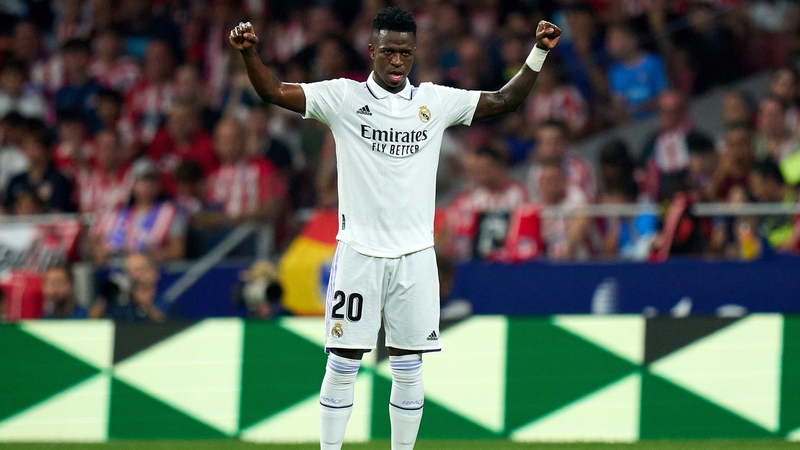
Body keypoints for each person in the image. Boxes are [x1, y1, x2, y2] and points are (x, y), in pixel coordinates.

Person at [230, 8, 561, 449]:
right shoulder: (342, 97)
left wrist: (538, 52)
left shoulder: (435, 102)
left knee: (408, 367)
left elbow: (505, 100)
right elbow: (272, 91)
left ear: (414, 53)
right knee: (342, 363)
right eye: (388, 51)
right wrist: (250, 54)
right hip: (358, 253)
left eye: (405, 52)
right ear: (372, 50)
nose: (397, 61)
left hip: (415, 257)